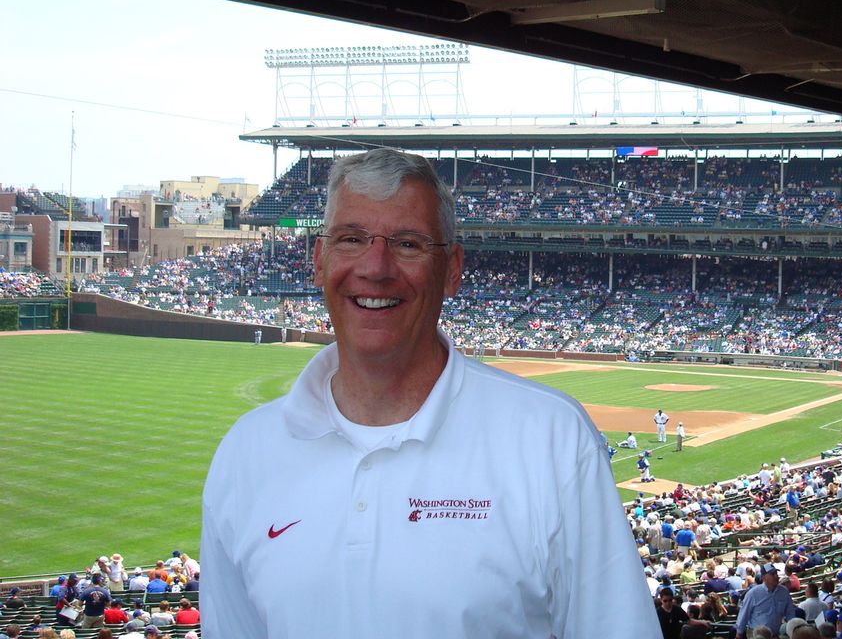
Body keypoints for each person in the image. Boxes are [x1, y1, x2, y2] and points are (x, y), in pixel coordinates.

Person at [201, 149, 657, 638]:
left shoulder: (552, 439)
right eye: (351, 239)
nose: (375, 268)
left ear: (452, 269)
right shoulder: (245, 454)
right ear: (319, 260)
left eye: (408, 244)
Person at [735, 565, 794, 639]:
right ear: (763, 577)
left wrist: (792, 630)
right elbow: (744, 613)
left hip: (775, 634)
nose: (776, 576)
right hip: (756, 635)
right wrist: (739, 633)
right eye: (772, 574)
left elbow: (790, 613)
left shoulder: (783, 591)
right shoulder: (753, 593)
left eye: (776, 573)